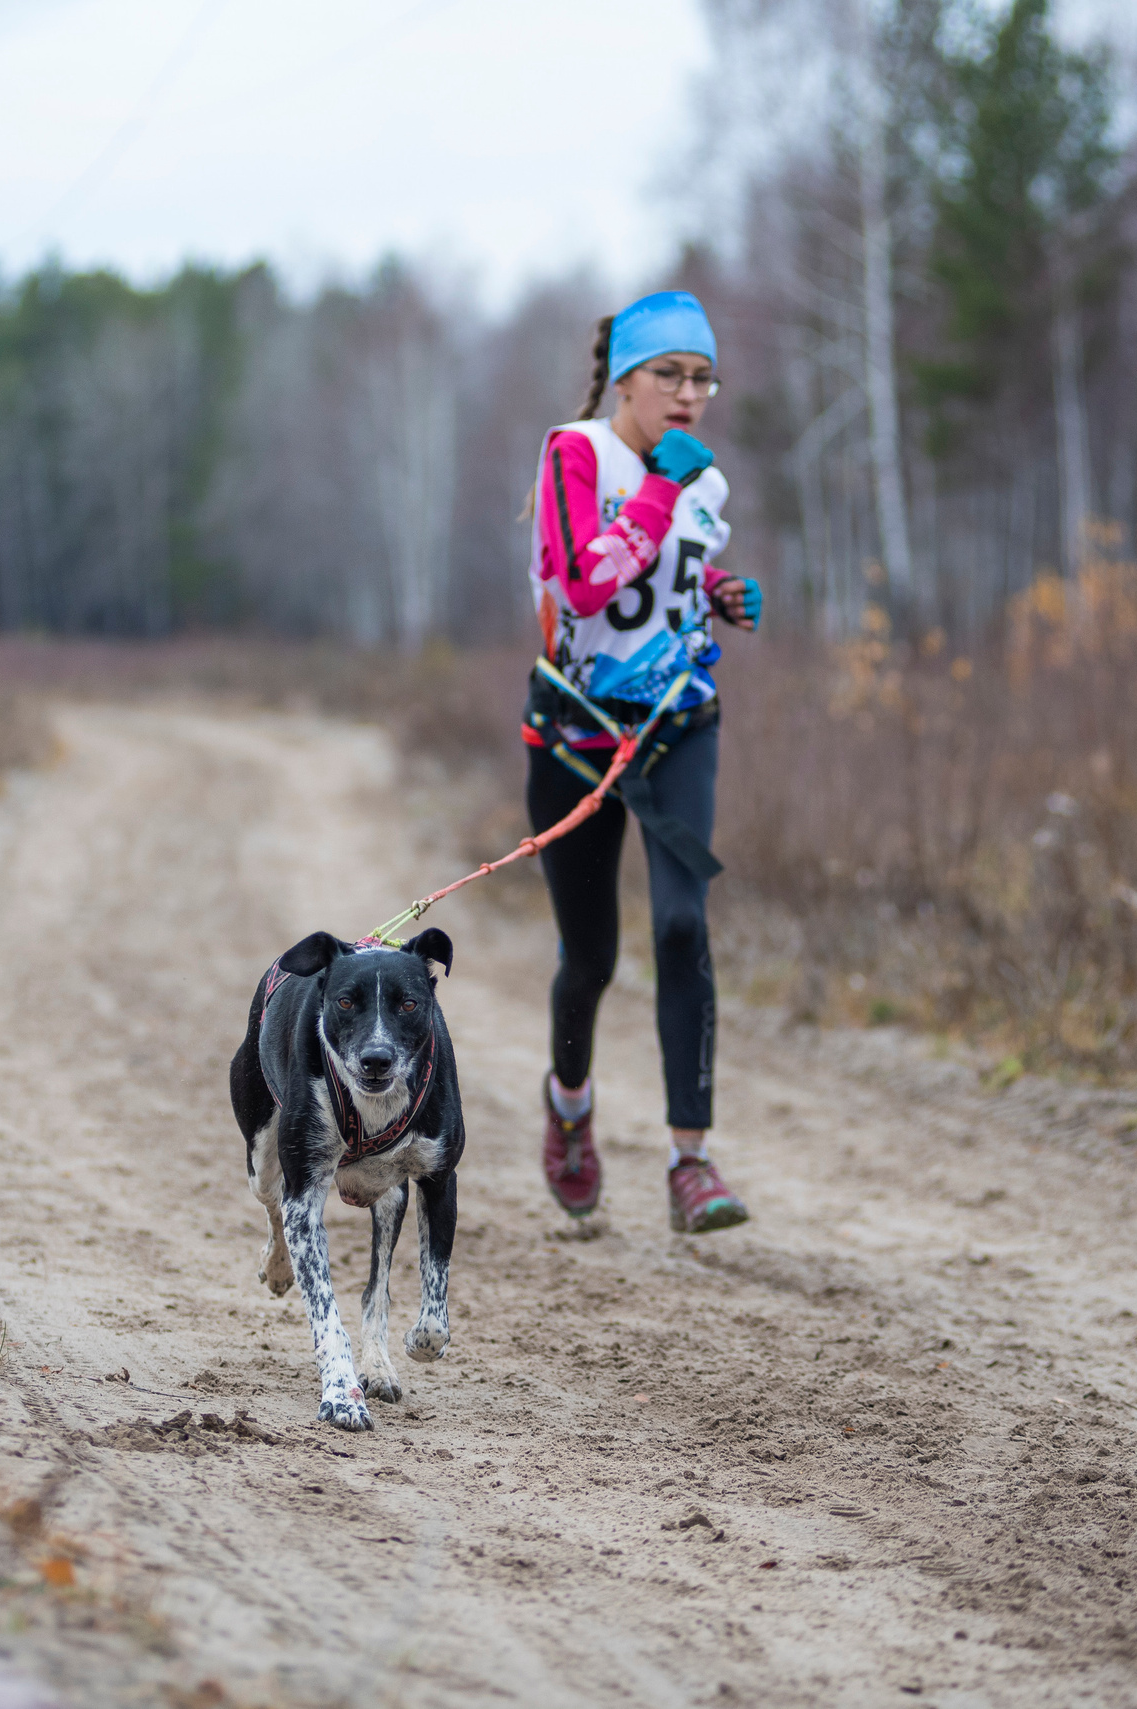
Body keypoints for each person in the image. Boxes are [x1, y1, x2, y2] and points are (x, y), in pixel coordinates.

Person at [519, 289, 761, 1236]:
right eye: (671, 375)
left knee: (681, 927)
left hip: (675, 725)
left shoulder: (702, 481)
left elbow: (670, 572)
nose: (690, 395)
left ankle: (690, 1161)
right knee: (591, 958)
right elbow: (584, 583)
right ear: (625, 376)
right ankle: (569, 1106)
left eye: (704, 379)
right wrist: (660, 487)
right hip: (576, 735)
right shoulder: (575, 453)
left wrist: (719, 591)